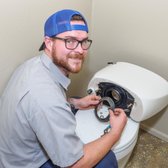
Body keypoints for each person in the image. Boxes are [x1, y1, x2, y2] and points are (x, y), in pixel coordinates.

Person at [0, 9, 127, 168]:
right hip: (27, 163)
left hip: (14, 150)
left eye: (84, 42)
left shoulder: (33, 66)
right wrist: (115, 132)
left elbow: (43, 105)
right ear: (49, 42)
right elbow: (75, 165)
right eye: (70, 41)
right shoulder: (45, 98)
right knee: (107, 160)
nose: (80, 50)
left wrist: (75, 103)